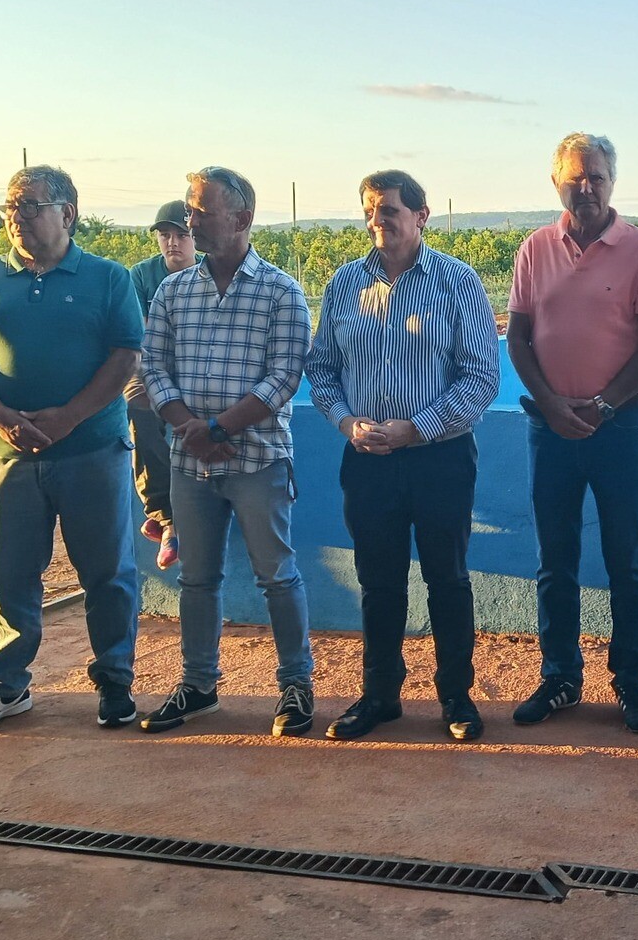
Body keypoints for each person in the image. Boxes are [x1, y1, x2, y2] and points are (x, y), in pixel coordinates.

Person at [0, 165, 144, 732]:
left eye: (30, 205)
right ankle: (5, 684)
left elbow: (126, 355)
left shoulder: (108, 278)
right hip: (5, 456)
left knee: (107, 573)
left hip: (93, 452)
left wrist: (68, 418)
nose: (16, 216)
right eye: (10, 205)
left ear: (67, 213)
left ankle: (115, 680)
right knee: (7, 574)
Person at [305, 170, 499, 743]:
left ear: (421, 216)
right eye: (370, 210)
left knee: (448, 579)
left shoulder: (458, 282)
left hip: (440, 458)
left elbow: (481, 378)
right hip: (366, 461)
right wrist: (347, 422)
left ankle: (457, 698)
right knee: (378, 582)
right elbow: (322, 370)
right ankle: (381, 695)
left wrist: (414, 430)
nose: (377, 221)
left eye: (388, 210)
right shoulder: (344, 284)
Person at [506, 134, 638, 734]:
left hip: (622, 426)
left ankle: (632, 682)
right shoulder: (534, 249)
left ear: (613, 181)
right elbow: (518, 339)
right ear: (556, 181)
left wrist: (603, 406)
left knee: (627, 559)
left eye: (597, 176)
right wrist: (553, 406)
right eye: (576, 177)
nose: (587, 187)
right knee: (554, 560)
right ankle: (559, 677)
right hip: (549, 428)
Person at [137, 167, 316, 739]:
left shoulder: (281, 291)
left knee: (277, 577)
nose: (190, 221)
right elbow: (153, 368)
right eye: (190, 211)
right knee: (197, 578)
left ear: (241, 219)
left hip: (257, 462)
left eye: (201, 211)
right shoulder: (173, 290)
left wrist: (215, 427)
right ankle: (199, 685)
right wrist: (190, 427)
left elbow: (284, 377)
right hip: (191, 464)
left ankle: (295, 685)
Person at [128, 200, 197, 571]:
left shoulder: (210, 271)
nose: (172, 243)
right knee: (138, 401)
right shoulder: (141, 275)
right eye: (164, 235)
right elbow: (141, 334)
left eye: (181, 235)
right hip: (152, 364)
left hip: (199, 365)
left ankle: (203, 502)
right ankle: (166, 514)